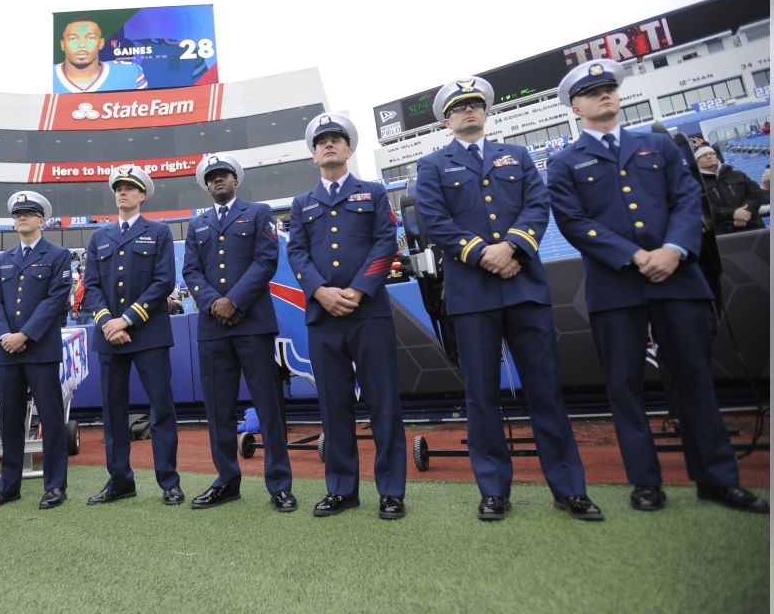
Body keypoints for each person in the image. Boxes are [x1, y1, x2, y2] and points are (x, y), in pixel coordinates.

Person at [546, 59, 768, 514]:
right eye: (592, 92)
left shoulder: (659, 146)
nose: (604, 96)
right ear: (575, 106)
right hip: (616, 285)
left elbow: (688, 200)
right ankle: (645, 482)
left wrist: (673, 250)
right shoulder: (565, 162)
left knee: (695, 382)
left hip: (677, 277)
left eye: (609, 88)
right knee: (625, 389)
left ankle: (716, 480)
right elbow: (573, 221)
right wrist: (633, 255)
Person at [415, 77, 602, 521]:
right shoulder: (432, 165)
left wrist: (512, 246)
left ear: (486, 112)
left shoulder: (517, 156)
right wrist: (484, 253)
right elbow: (435, 221)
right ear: (446, 119)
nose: (468, 112)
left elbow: (537, 206)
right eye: (459, 107)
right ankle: (494, 489)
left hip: (523, 287)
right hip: (472, 293)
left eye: (476, 105)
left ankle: (569, 488)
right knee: (482, 396)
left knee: (546, 393)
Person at [286, 113, 406, 520]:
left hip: (367, 312)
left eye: (337, 139)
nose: (329, 145)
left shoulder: (372, 192)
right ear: (313, 155)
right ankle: (342, 489)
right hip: (323, 317)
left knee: (383, 403)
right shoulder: (302, 204)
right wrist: (320, 291)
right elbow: (297, 253)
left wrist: (356, 290)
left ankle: (391, 491)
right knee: (333, 406)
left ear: (350, 149)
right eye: (321, 142)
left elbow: (385, 242)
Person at [183, 153, 296, 512]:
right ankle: (226, 480)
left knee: (268, 404)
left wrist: (235, 301)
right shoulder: (197, 224)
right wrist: (216, 302)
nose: (218, 180)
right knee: (218, 409)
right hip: (213, 327)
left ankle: (279, 483)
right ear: (206, 184)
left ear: (236, 180)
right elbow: (190, 271)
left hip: (252, 324)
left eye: (224, 175)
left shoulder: (259, 213)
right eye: (212, 177)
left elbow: (266, 260)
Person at [82, 165, 183, 505]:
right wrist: (108, 322)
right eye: (118, 187)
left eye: (130, 188)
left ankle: (168, 481)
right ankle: (120, 480)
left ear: (142, 195)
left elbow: (163, 282)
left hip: (148, 333)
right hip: (109, 336)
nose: (122, 192)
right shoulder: (99, 237)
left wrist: (126, 320)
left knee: (161, 408)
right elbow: (91, 286)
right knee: (112, 411)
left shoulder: (159, 232)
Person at [0, 191, 72, 511]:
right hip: (8, 351)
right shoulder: (2, 259)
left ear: (41, 220)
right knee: (10, 420)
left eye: (29, 213)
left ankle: (55, 485)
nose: (22, 218)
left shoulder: (58, 255)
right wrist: (5, 335)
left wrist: (25, 335)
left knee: (51, 418)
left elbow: (55, 300)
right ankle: (9, 485)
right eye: (18, 214)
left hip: (40, 349)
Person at [52, 19, 148, 93]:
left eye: (90, 38)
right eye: (73, 38)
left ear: (101, 43)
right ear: (62, 44)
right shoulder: (47, 76)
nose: (82, 45)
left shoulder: (130, 73)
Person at [693, 147, 766, 234]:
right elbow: (701, 208)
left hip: (753, 226)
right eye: (704, 155)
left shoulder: (737, 174)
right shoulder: (694, 183)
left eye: (712, 153)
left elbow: (757, 194)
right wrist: (732, 214)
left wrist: (746, 211)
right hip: (722, 234)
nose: (709, 156)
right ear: (697, 161)